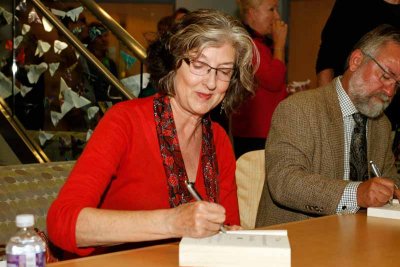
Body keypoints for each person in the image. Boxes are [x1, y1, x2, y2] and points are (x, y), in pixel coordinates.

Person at [47, 9, 258, 256]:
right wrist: (173, 222)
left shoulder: (219, 139)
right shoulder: (125, 121)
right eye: (199, 65)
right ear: (173, 63)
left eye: (223, 71)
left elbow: (228, 227)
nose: (211, 83)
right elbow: (62, 223)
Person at [256, 24, 400, 227]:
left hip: (361, 242)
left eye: (397, 84)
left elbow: (389, 178)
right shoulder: (299, 109)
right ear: (356, 60)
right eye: (386, 76)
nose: (389, 92)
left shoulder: (381, 125)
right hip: (297, 242)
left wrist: (393, 189)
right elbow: (284, 182)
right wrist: (357, 194)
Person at [315, 0, 400, 130]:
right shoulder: (353, 5)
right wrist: (328, 110)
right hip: (346, 109)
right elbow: (327, 58)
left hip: (388, 123)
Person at [231, 0, 288, 158]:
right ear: (252, 13)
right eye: (271, 9)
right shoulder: (247, 45)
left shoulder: (260, 44)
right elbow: (274, 80)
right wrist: (279, 46)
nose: (277, 16)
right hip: (255, 133)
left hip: (264, 130)